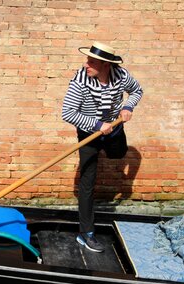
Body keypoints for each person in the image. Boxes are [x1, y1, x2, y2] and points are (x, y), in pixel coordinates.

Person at [62, 41, 143, 252]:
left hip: (114, 129)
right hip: (89, 132)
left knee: (119, 154)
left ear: (106, 65)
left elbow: (136, 91)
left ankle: (111, 144)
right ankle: (86, 233)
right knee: (87, 182)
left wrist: (127, 107)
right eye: (87, 60)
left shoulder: (121, 75)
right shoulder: (79, 81)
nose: (86, 64)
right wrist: (98, 125)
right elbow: (67, 113)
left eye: (91, 61)